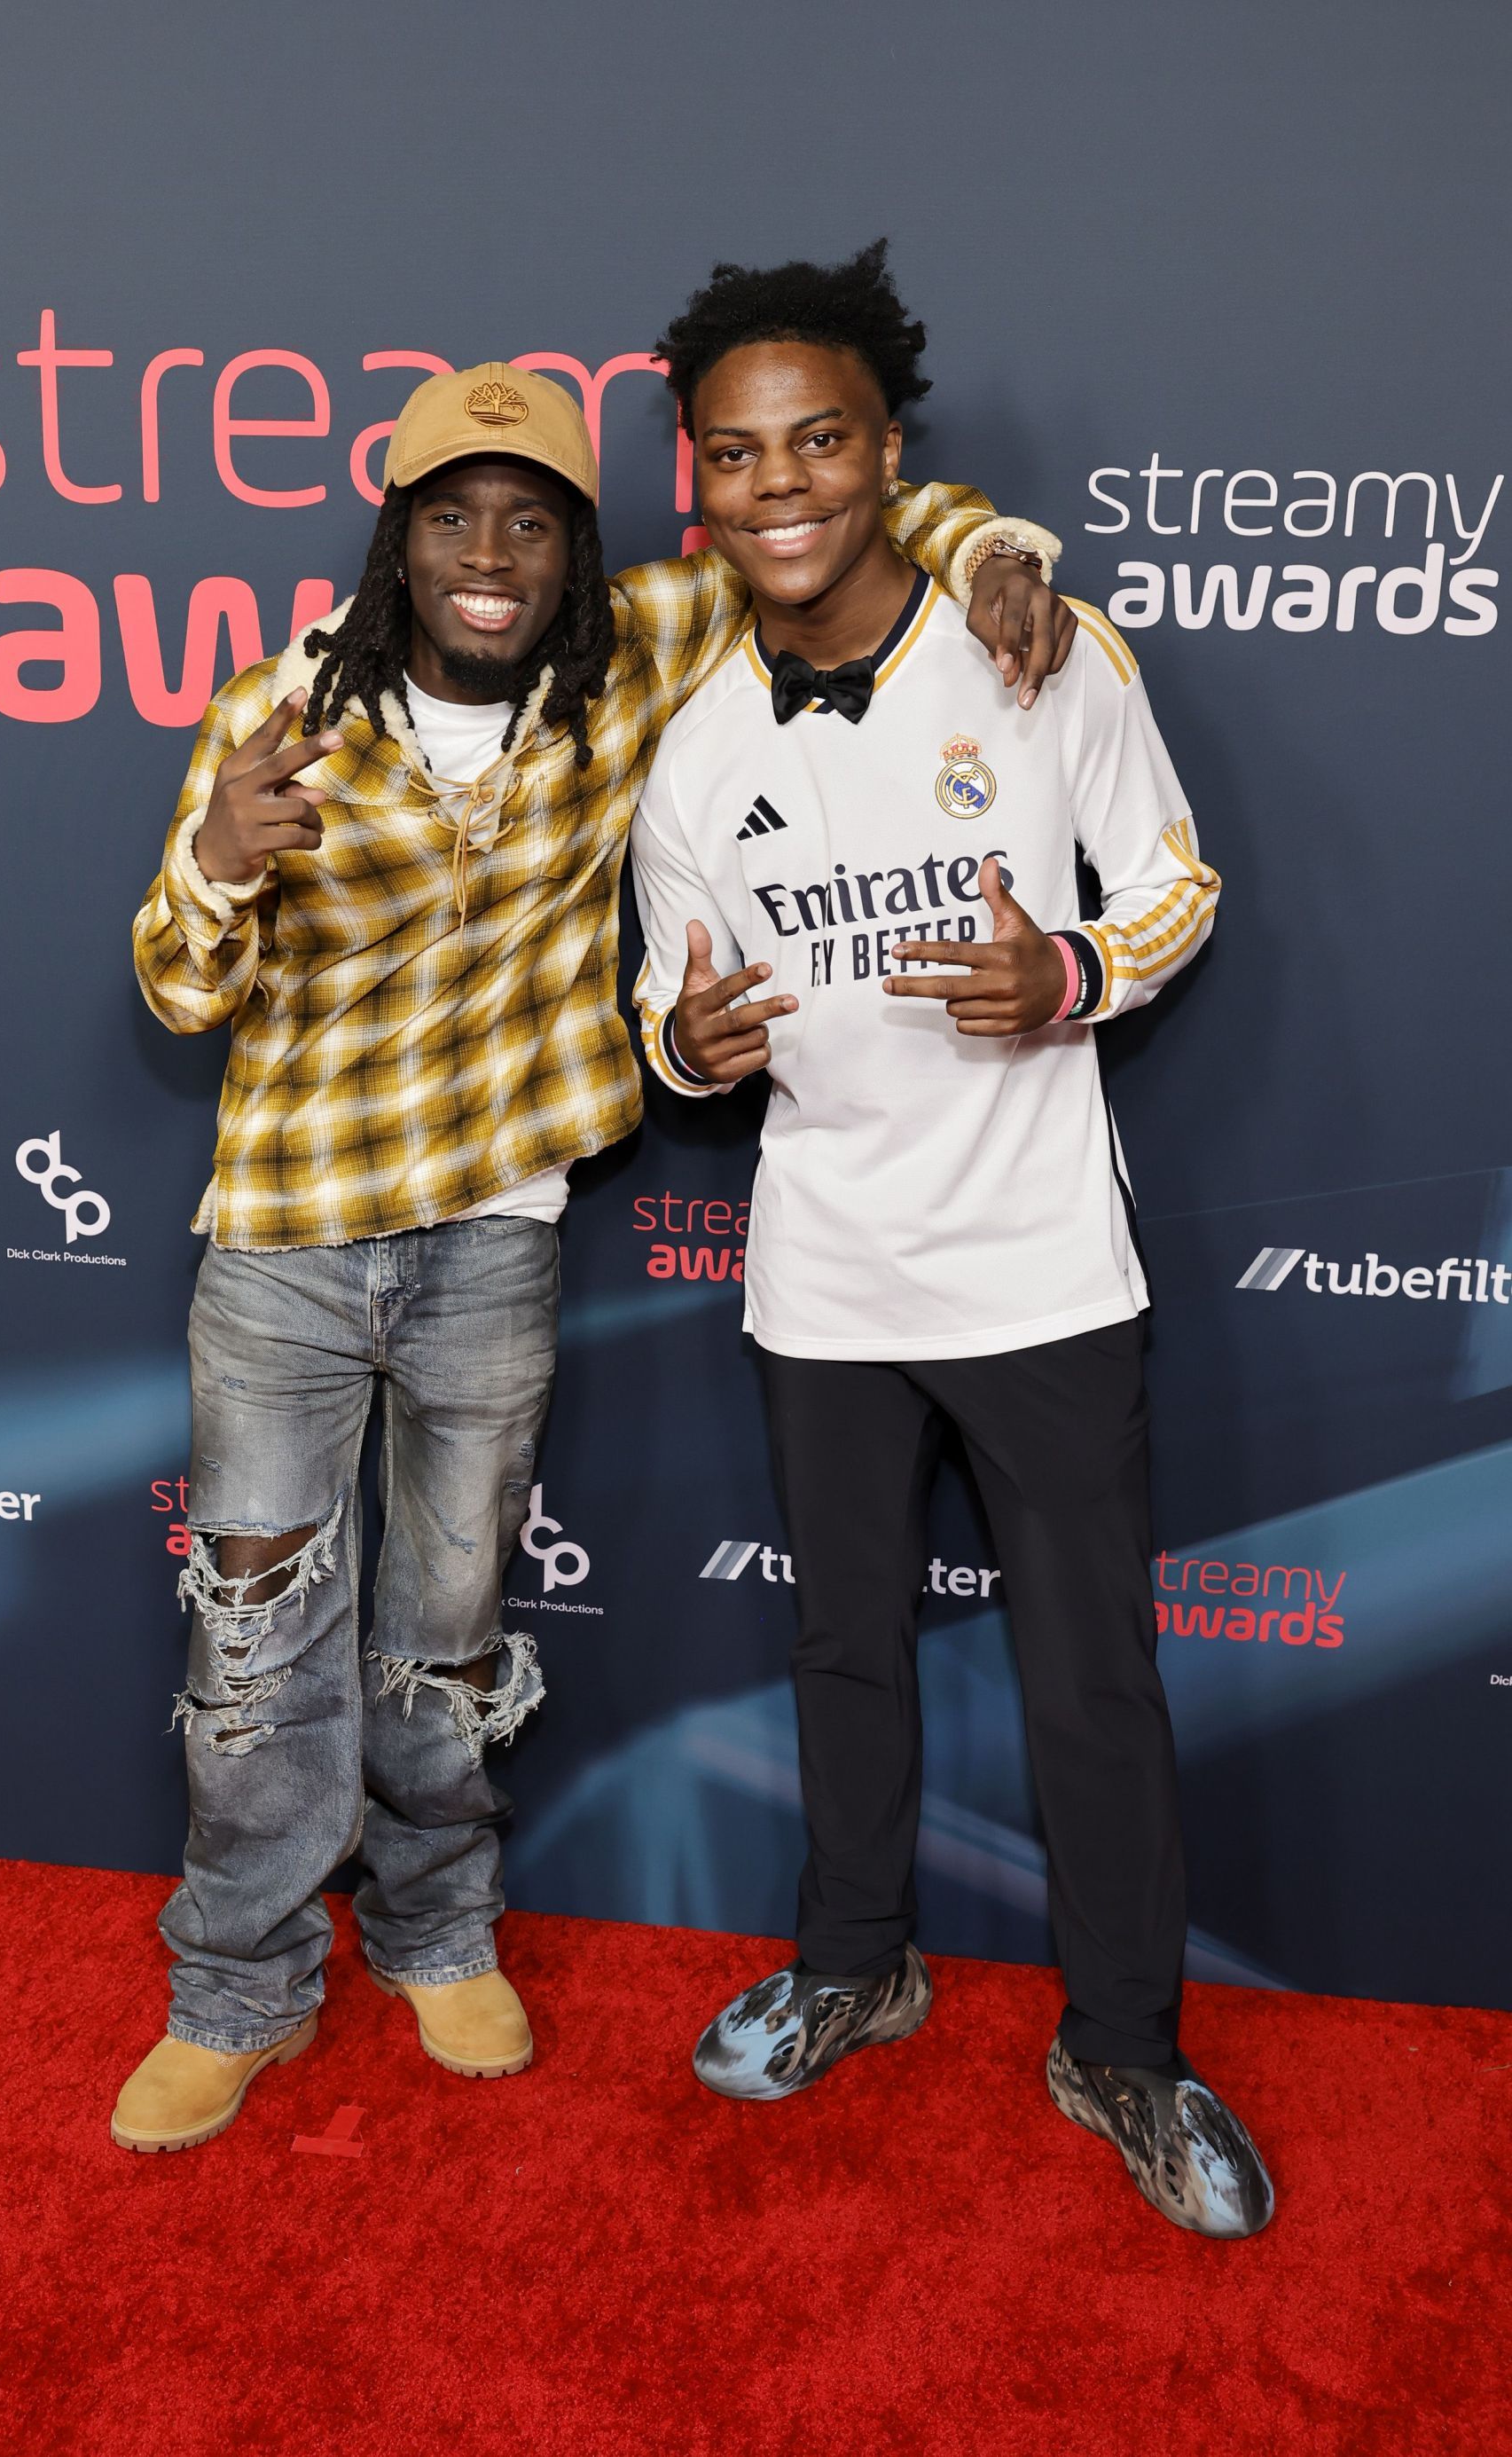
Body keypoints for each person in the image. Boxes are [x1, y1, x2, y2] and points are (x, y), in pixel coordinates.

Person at [114, 347, 1073, 2155]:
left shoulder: (629, 665)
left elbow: (836, 517)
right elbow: (174, 983)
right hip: (286, 1246)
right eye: (457, 517)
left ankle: (435, 1925)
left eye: (533, 523)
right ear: (400, 540)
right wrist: (226, 863)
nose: (494, 551)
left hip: (494, 1243)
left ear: (577, 553)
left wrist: (999, 539)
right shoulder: (285, 706)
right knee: (254, 1636)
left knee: (447, 1622)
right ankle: (235, 1981)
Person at [630, 244, 1273, 2241]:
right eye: (737, 454)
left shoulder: (1034, 646)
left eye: (819, 438)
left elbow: (1174, 886)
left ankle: (1130, 2049)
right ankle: (857, 1957)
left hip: (1040, 1266)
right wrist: (691, 1040)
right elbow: (669, 993)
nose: (780, 484)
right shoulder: (692, 736)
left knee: (1092, 1679)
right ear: (695, 482)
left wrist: (1070, 968)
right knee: (840, 1647)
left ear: (888, 448)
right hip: (820, 1273)